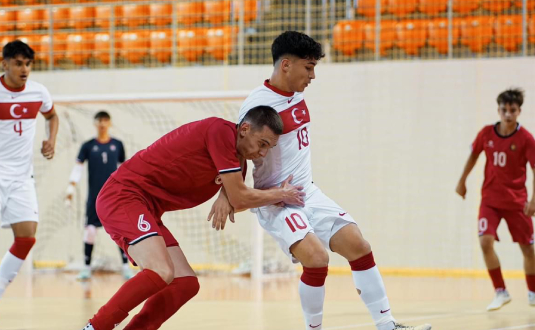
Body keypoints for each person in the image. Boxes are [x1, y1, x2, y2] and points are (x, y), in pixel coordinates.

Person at [211, 31, 431, 330]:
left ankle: (387, 325)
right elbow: (241, 148)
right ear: (286, 65)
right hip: (277, 200)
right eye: (309, 67)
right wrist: (228, 192)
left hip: (306, 192)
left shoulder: (296, 92)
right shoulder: (258, 104)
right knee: (316, 258)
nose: (313, 75)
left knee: (359, 245)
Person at [82, 105, 306, 330]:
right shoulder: (220, 131)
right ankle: (95, 327)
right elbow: (241, 197)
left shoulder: (237, 165)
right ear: (245, 129)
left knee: (185, 283)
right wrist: (280, 194)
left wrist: (229, 196)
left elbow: (237, 202)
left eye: (269, 147)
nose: (263, 153)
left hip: (146, 209)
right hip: (123, 195)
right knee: (161, 270)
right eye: (262, 144)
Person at [0, 40, 59, 330]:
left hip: (22, 176)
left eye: (28, 63)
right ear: (4, 64)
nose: (24, 69)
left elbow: (52, 115)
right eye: (18, 63)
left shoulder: (39, 92)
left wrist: (51, 139)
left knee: (27, 237)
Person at [456, 88, 535, 311]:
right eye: (504, 110)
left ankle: (533, 292)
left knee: (528, 248)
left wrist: (534, 199)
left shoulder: (526, 139)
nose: (507, 114)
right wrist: (462, 181)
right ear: (498, 110)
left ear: (519, 111)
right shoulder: (486, 133)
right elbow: (473, 155)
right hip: (490, 200)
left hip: (517, 202)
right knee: (484, 242)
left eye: (512, 110)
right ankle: (501, 291)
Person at [66, 111, 133, 280]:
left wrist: (128, 191)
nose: (102, 124)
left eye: (105, 121)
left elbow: (123, 169)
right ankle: (86, 268)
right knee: (90, 231)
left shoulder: (117, 145)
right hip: (94, 199)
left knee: (121, 232)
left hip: (114, 197)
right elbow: (78, 168)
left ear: (109, 123)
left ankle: (126, 267)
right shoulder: (88, 146)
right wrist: (70, 189)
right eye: (99, 121)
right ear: (95, 123)